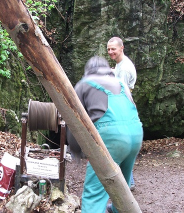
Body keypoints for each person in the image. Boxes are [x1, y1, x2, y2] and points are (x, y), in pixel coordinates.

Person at [67, 56, 143, 213]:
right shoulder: (121, 83)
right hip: (136, 133)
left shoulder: (84, 84)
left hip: (112, 137)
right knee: (123, 182)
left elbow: (74, 121)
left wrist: (75, 150)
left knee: (94, 191)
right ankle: (119, 210)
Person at [107, 36, 137, 189]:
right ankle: (128, 180)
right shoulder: (120, 64)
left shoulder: (124, 69)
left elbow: (123, 92)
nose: (111, 52)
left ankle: (128, 181)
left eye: (114, 49)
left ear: (121, 48)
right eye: (109, 49)